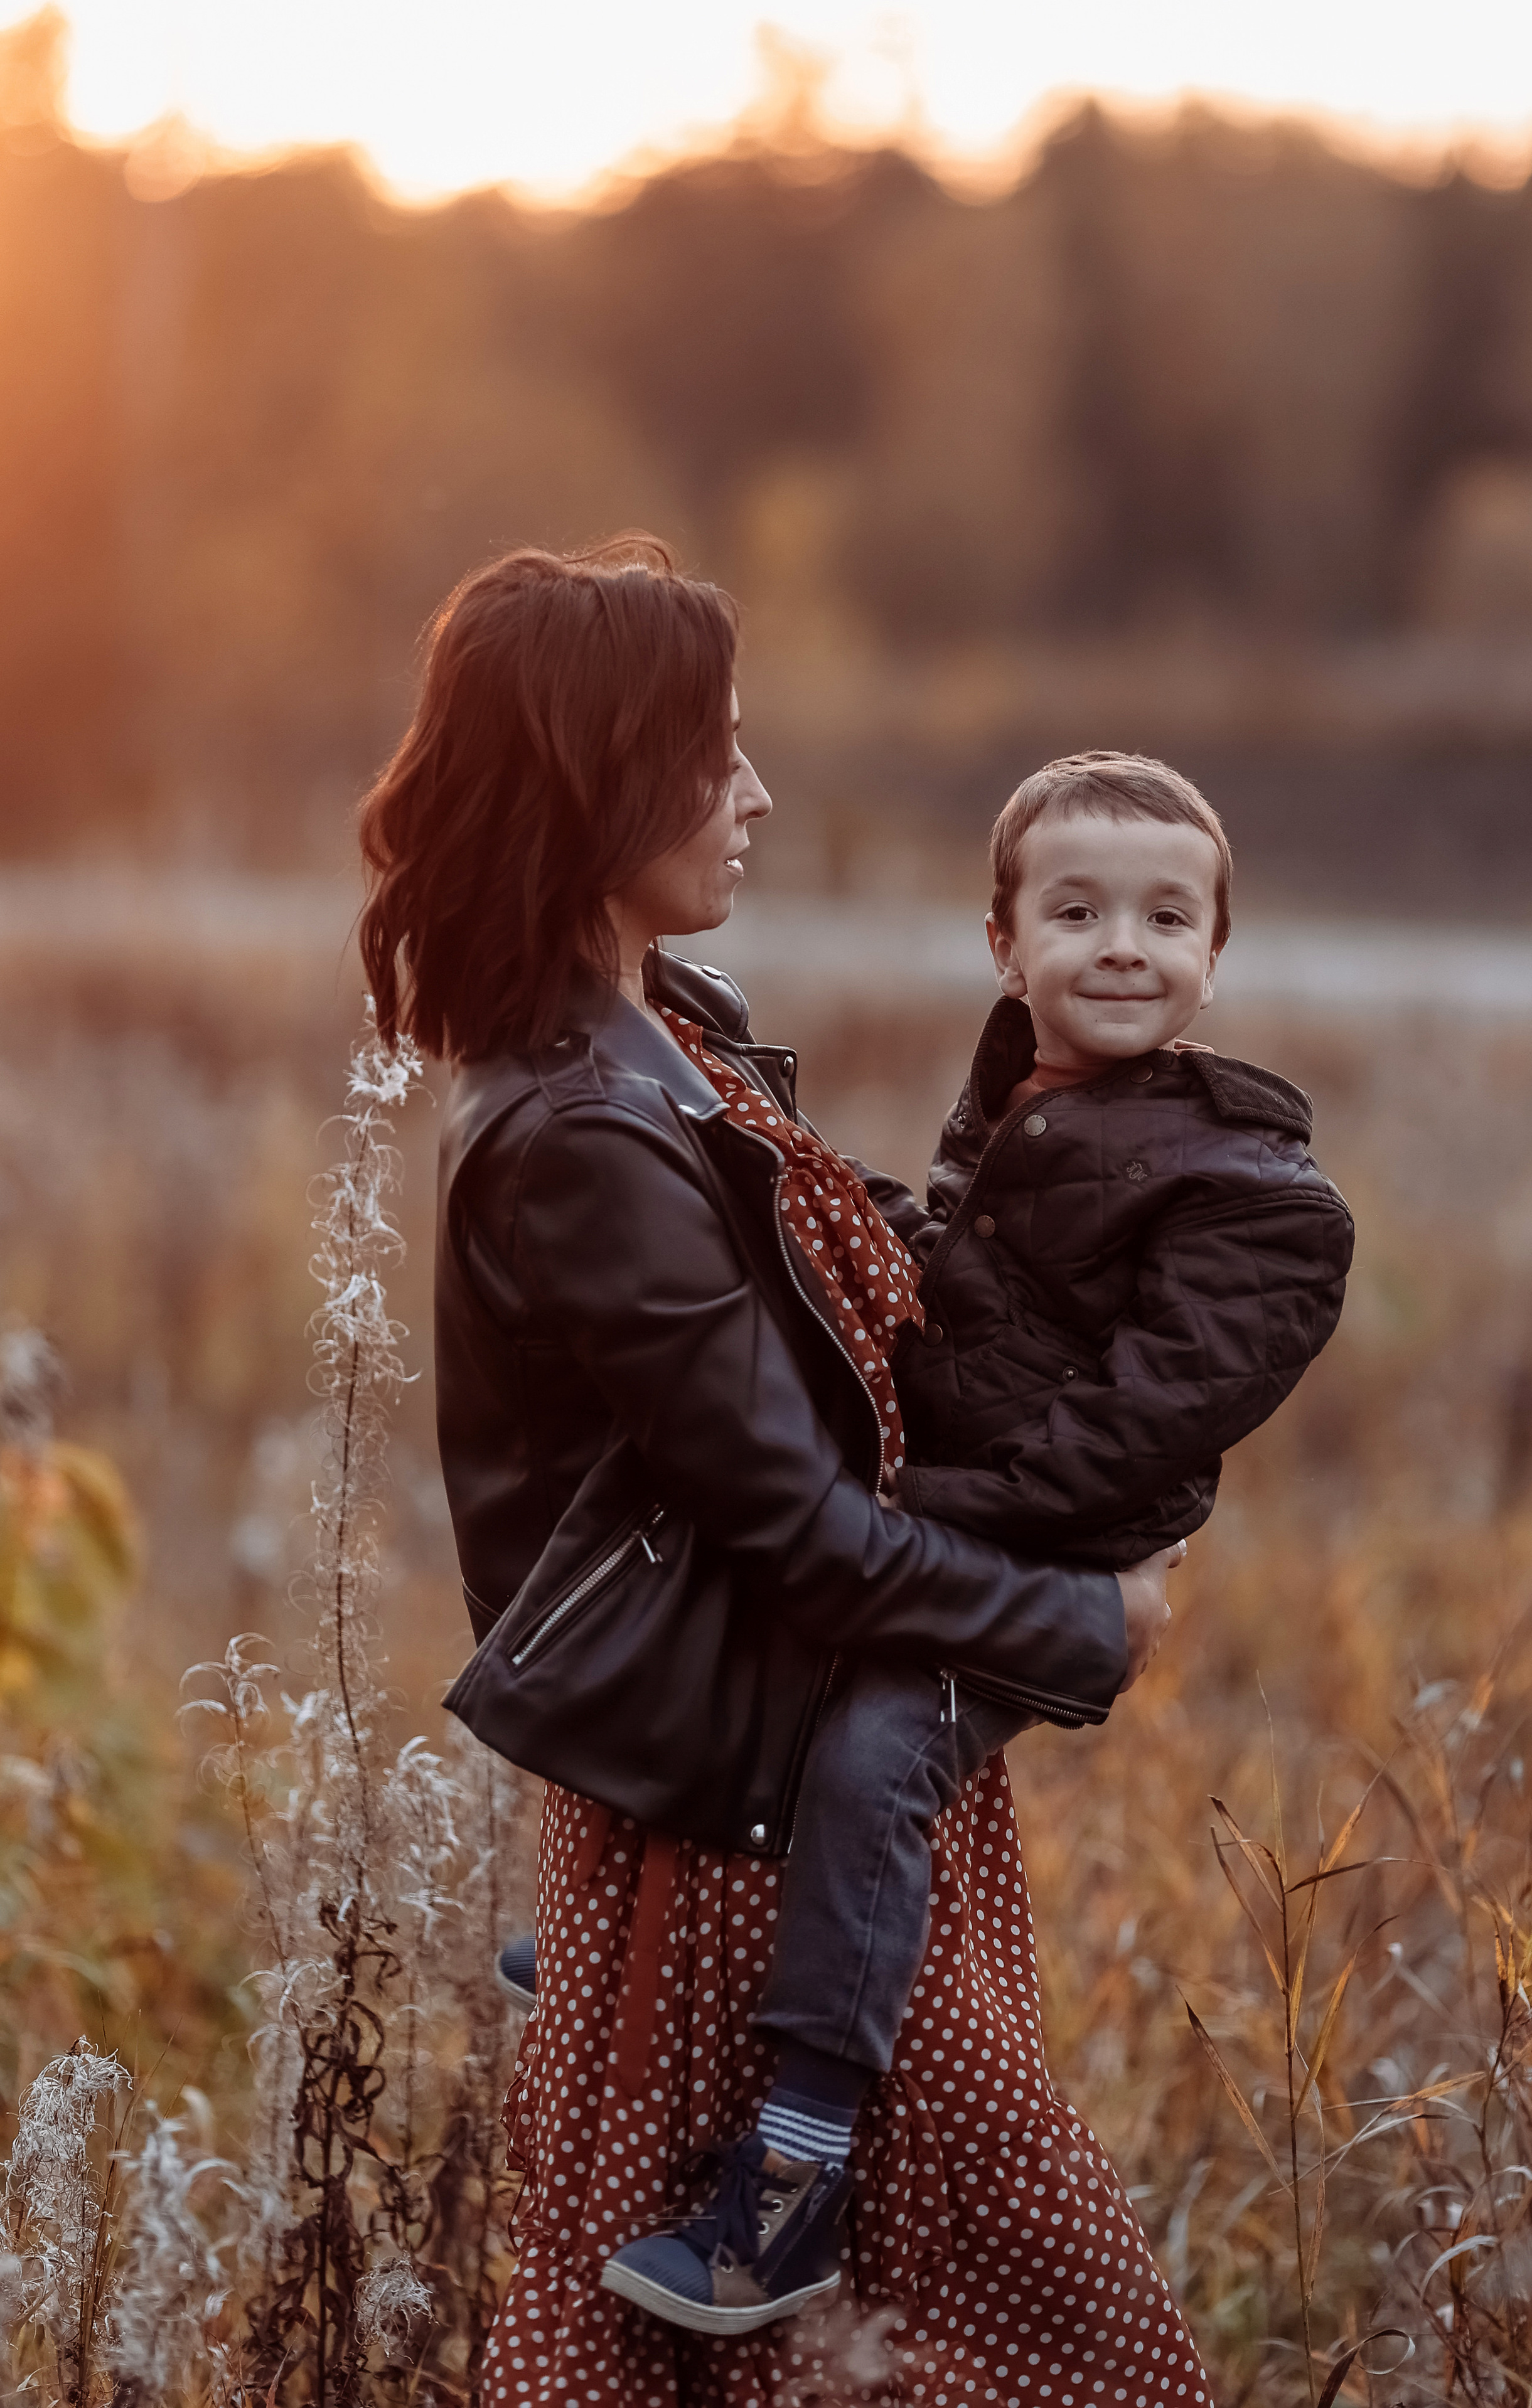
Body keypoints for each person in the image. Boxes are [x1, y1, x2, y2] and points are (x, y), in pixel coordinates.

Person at [360, 538, 1214, 2406]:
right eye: (716, 755)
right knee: (1056, 2343)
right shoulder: (584, 1130)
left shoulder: (669, 1030)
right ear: (599, 781)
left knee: (913, 2348)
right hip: (753, 1835)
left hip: (831, 1778)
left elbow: (860, 1328)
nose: (754, 795)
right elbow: (802, 1536)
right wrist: (1086, 1617)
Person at [600, 749, 1355, 2331]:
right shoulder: (1027, 1094)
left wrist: (910, 1517)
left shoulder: (1259, 1195)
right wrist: (826, 1198)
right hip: (973, 1517)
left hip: (1061, 1558)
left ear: (1218, 950)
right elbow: (969, 1279)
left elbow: (1133, 1425)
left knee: (880, 1749)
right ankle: (642, 1940)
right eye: (1074, 910)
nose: (1121, 946)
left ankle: (794, 2179)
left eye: (1165, 915)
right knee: (747, 1595)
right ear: (1004, 941)